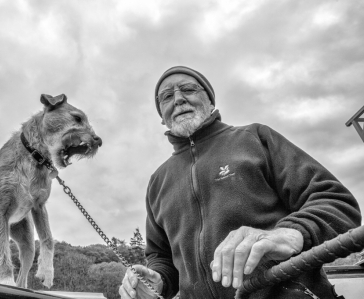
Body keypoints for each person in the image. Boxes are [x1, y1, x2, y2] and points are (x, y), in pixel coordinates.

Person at [118, 66, 362, 299]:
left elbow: (338, 203)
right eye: (167, 96)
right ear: (162, 115)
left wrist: (288, 234)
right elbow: (161, 256)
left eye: (189, 89)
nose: (178, 99)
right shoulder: (158, 181)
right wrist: (157, 280)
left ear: (210, 101)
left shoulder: (255, 138)